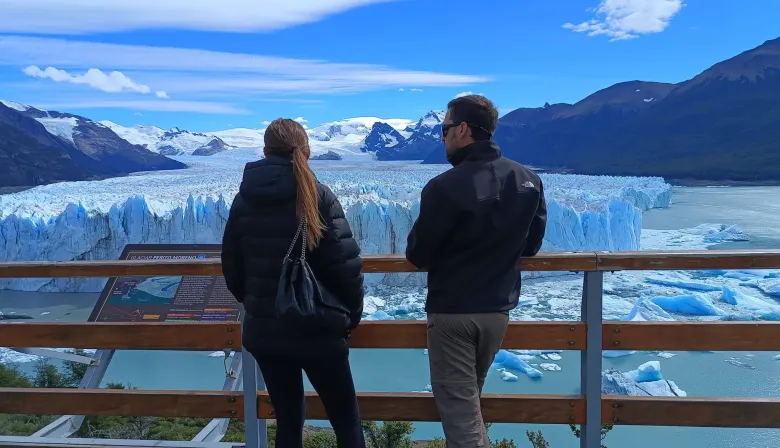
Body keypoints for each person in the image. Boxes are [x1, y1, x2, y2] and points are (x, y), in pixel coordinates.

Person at [406, 95, 547, 447]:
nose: (442, 137)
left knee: (460, 416)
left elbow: (418, 254)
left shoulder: (443, 187)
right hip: (497, 311)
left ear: (463, 129)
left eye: (445, 129)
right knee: (469, 405)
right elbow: (531, 246)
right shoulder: (528, 180)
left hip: (453, 313)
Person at [221, 118, 366, 448]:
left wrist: (258, 305)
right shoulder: (318, 196)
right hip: (318, 329)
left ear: (265, 152)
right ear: (307, 152)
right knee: (346, 422)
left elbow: (232, 266)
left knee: (288, 421)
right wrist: (349, 318)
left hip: (266, 333)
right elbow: (346, 267)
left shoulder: (244, 199)